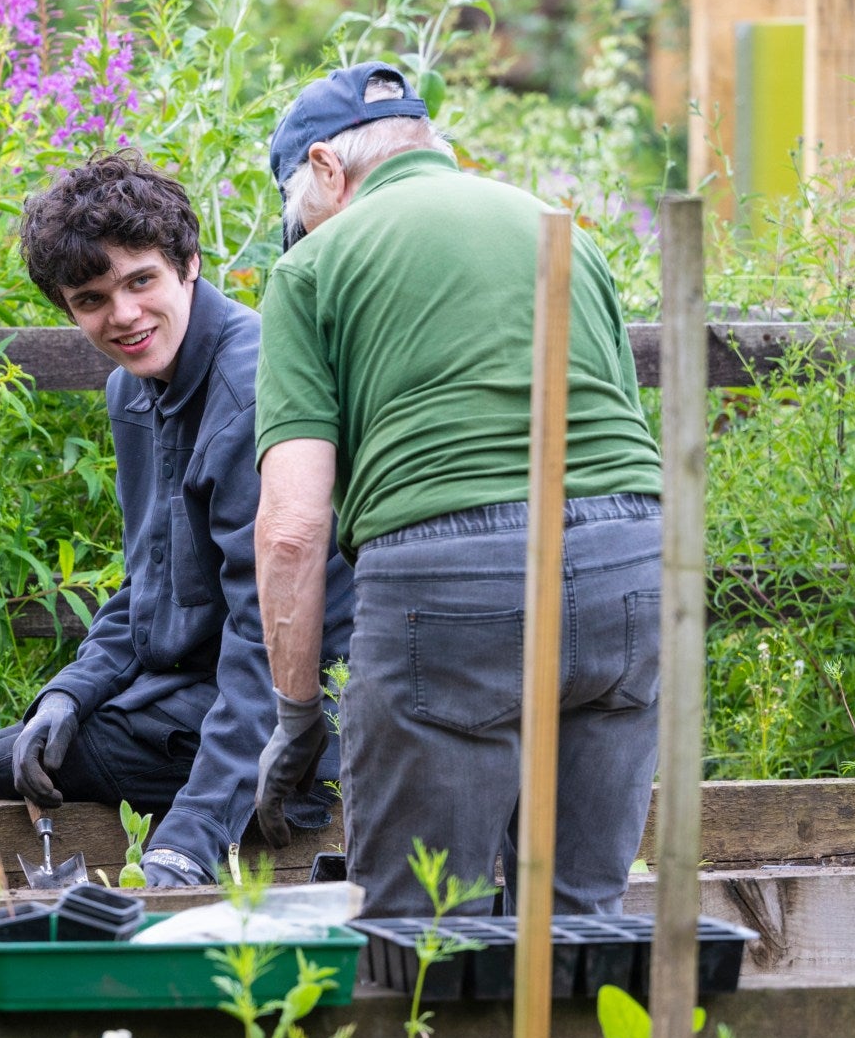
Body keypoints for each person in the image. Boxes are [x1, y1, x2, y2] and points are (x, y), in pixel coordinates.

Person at [250, 62, 665, 917]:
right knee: (578, 922)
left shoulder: (314, 266)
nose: (304, 230)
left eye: (300, 210)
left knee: (424, 933)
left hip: (450, 581)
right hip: (635, 564)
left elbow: (292, 527)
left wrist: (296, 720)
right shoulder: (565, 232)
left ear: (327, 168)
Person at [0, 153, 352, 890]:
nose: (122, 315)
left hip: (306, 713)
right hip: (195, 694)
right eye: (91, 298)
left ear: (188, 263)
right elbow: (148, 593)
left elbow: (268, 643)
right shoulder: (134, 391)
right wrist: (67, 692)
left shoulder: (249, 392)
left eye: (140, 280)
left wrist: (189, 839)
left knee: (72, 752)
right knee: (57, 736)